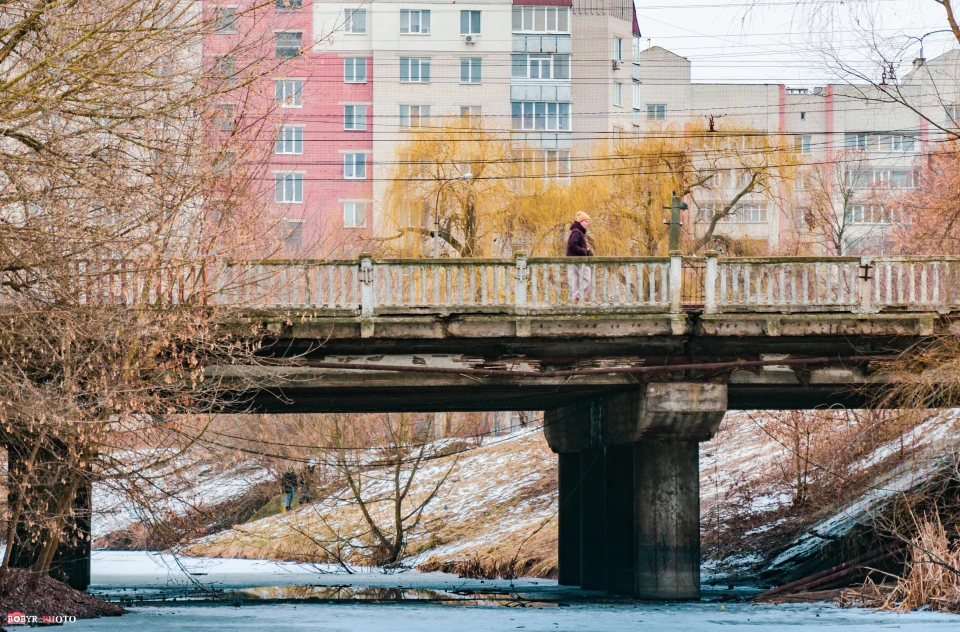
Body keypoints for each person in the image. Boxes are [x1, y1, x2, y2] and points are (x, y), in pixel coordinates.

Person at [566, 211, 593, 303]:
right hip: (578, 259)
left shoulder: (577, 232)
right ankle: (578, 297)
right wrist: (584, 251)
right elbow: (572, 245)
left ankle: (574, 299)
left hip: (574, 259)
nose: (587, 224)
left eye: (588, 222)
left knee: (576, 280)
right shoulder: (577, 232)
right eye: (585, 222)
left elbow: (573, 245)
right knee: (587, 279)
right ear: (580, 222)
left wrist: (587, 251)